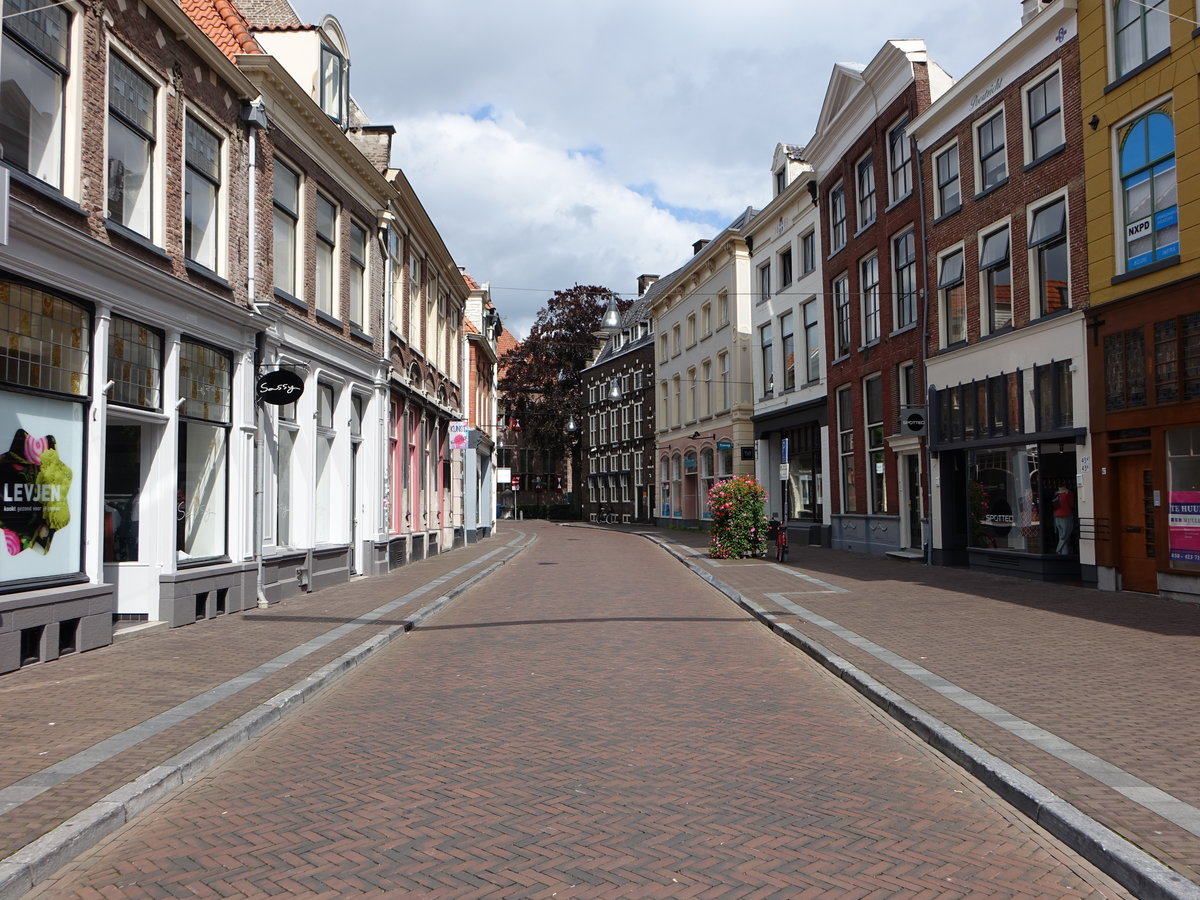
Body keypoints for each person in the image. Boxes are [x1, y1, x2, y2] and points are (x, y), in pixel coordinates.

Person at [1053, 482, 1076, 554]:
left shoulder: (1056, 494)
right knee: (1064, 536)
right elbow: (1071, 504)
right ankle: (1059, 550)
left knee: (1062, 535)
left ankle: (1063, 552)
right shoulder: (1068, 493)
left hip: (1057, 516)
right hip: (1066, 516)